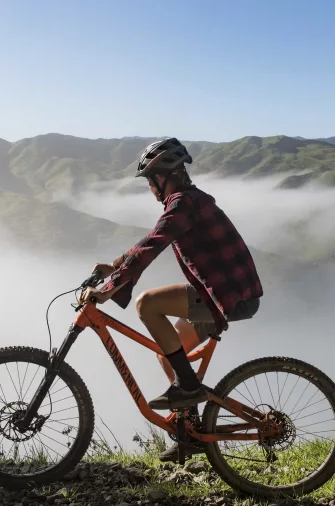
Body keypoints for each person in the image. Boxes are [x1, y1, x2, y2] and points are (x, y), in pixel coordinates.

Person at [78, 137, 263, 461]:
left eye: (151, 180)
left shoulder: (184, 203)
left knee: (146, 304)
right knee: (169, 356)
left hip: (226, 296)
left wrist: (110, 288)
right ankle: (188, 433)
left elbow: (154, 245)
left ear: (164, 177)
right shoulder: (187, 202)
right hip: (226, 295)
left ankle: (188, 390)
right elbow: (151, 238)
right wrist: (115, 265)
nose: (151, 188)